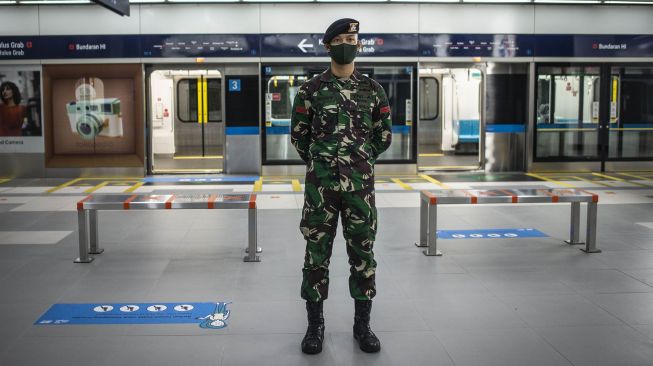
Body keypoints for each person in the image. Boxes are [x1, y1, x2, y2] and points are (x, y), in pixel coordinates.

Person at [290, 18, 392, 355]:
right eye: (342, 38)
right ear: (329, 45)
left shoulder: (373, 90)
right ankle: (315, 326)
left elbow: (383, 136)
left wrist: (359, 160)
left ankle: (362, 325)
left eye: (353, 38)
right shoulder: (310, 91)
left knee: (363, 254)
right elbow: (299, 137)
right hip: (321, 188)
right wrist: (324, 162)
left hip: (360, 189)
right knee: (316, 256)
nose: (349, 42)